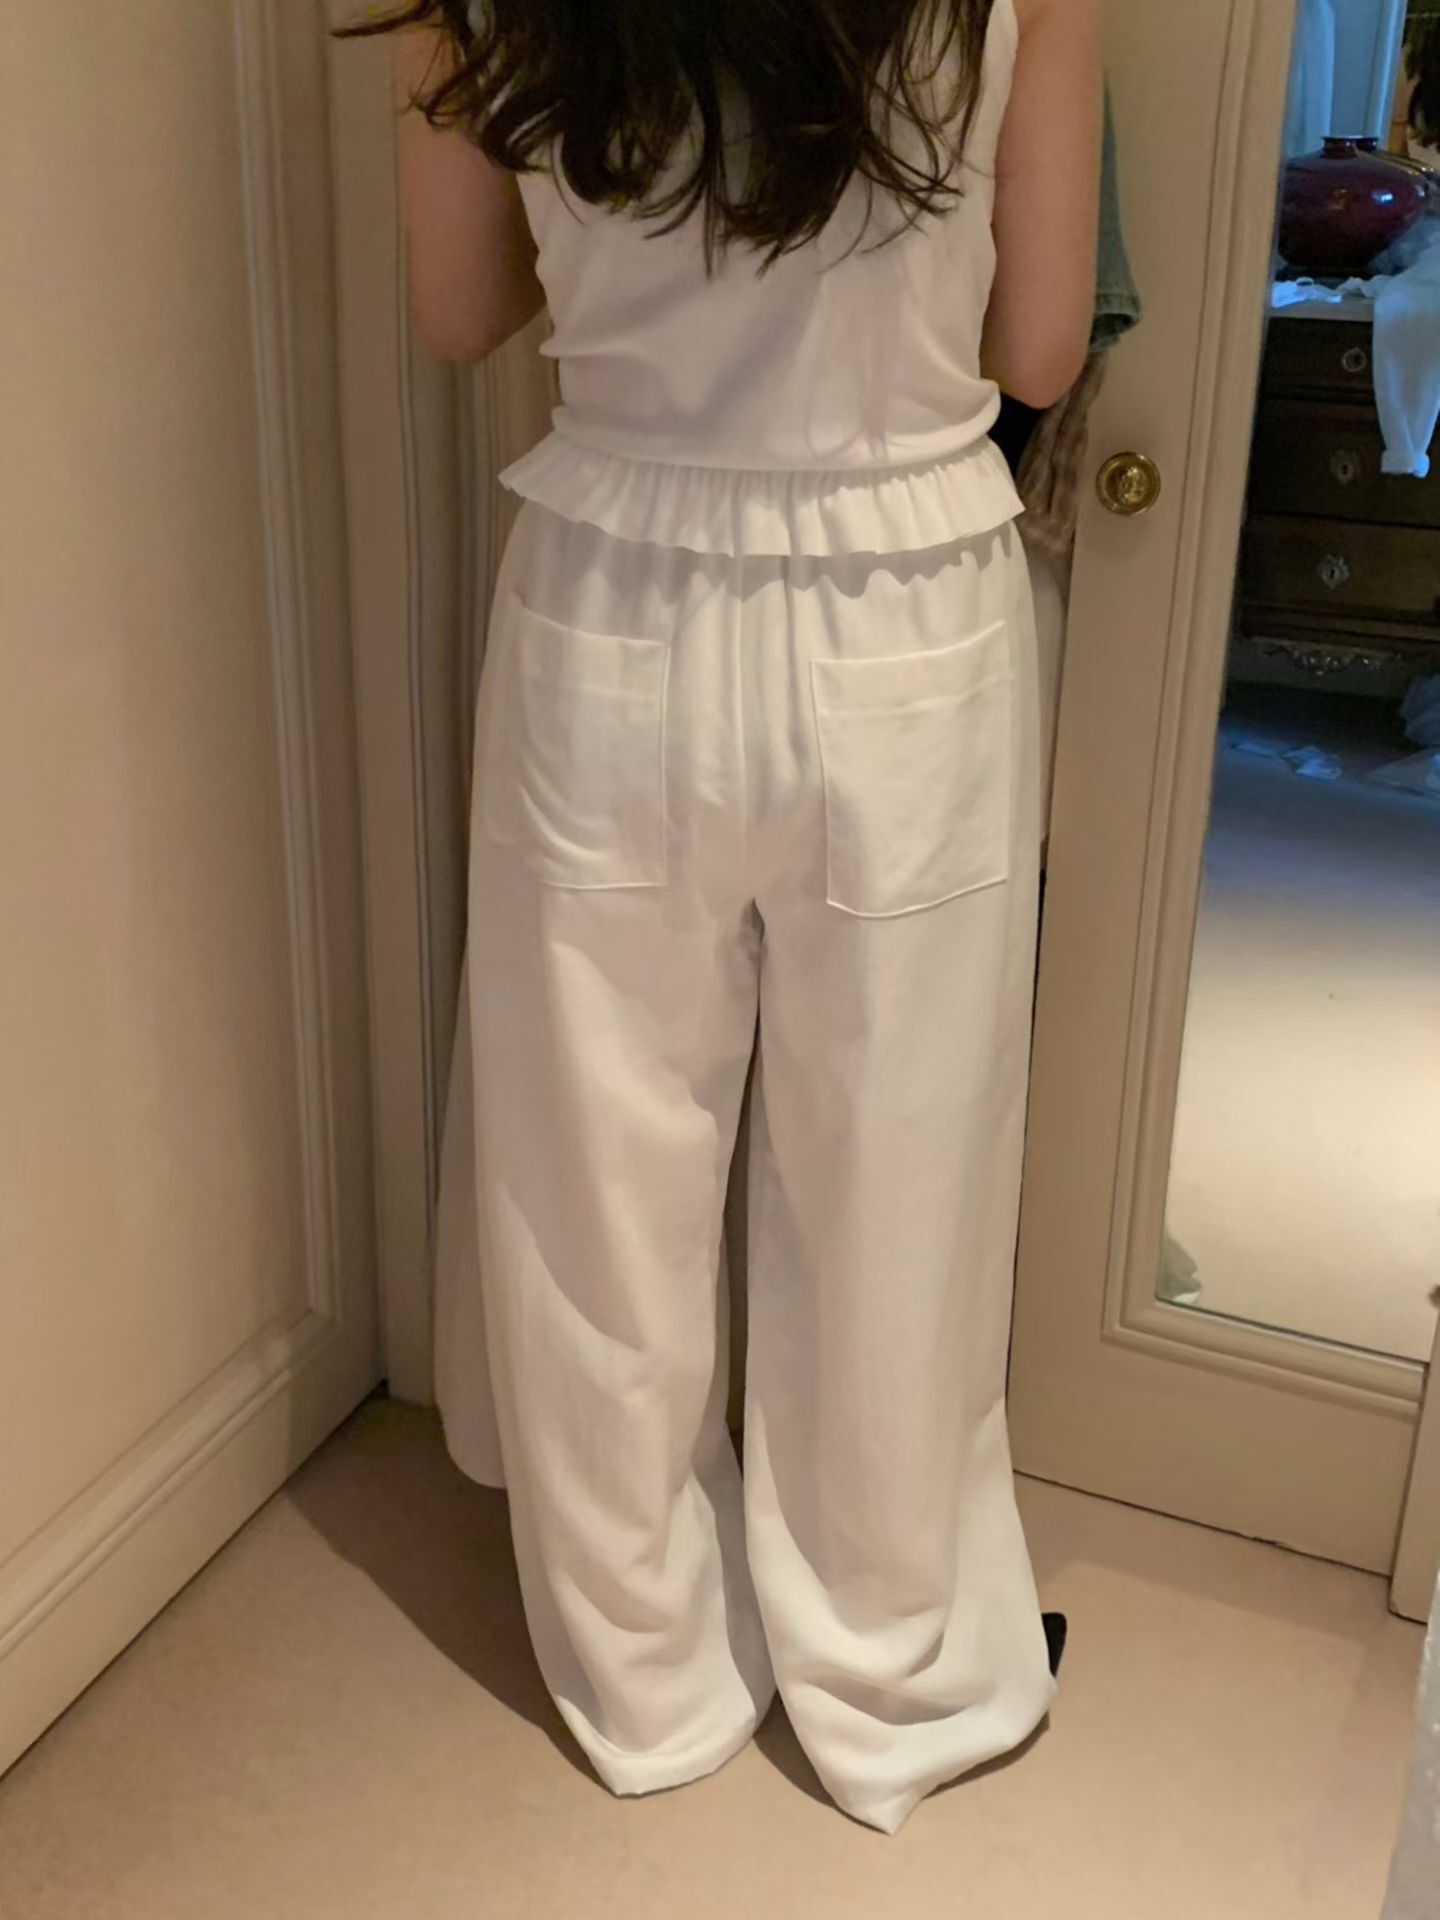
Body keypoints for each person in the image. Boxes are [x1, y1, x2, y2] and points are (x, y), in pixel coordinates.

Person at [354, 0, 1101, 1835]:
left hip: (614, 585)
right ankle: (892, 1670)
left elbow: (459, 311)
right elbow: (1039, 342)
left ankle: (647, 1674)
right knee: (902, 1171)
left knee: (595, 1177)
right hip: (909, 592)